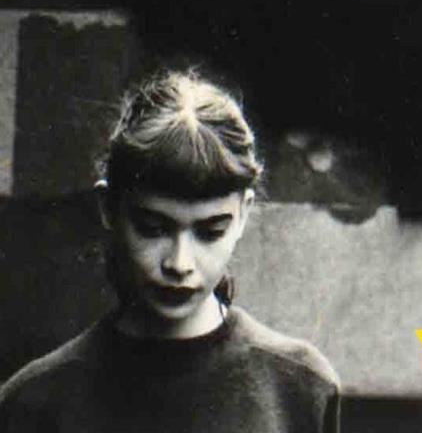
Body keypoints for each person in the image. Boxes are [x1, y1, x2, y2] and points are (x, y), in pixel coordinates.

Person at [0, 68, 340, 432]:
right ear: (108, 208)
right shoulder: (35, 401)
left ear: (243, 214)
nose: (180, 263)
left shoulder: (300, 388)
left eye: (210, 232)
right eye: (153, 228)